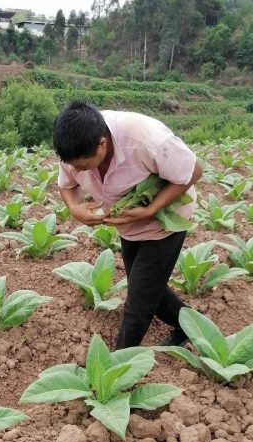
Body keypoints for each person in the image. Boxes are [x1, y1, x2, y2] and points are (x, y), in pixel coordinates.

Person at [53, 101, 202, 349]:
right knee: (143, 285)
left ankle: (117, 367)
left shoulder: (146, 138)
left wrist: (151, 209)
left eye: (81, 166)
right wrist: (74, 209)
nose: (75, 170)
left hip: (166, 220)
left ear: (102, 144)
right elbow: (66, 185)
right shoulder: (74, 150)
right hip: (129, 225)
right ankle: (192, 326)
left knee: (139, 301)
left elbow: (194, 171)